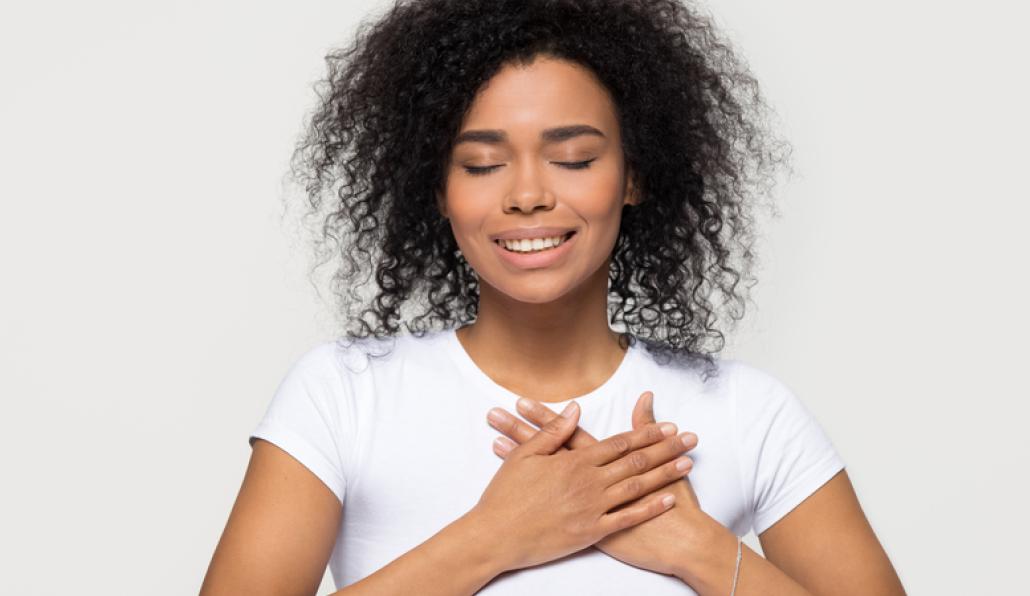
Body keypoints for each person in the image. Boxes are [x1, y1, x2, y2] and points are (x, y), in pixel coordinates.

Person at [201, 0, 907, 594]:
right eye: (481, 163)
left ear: (634, 176)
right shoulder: (343, 396)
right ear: (438, 191)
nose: (529, 194)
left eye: (574, 158)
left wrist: (698, 550)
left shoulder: (747, 413)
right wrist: (495, 537)